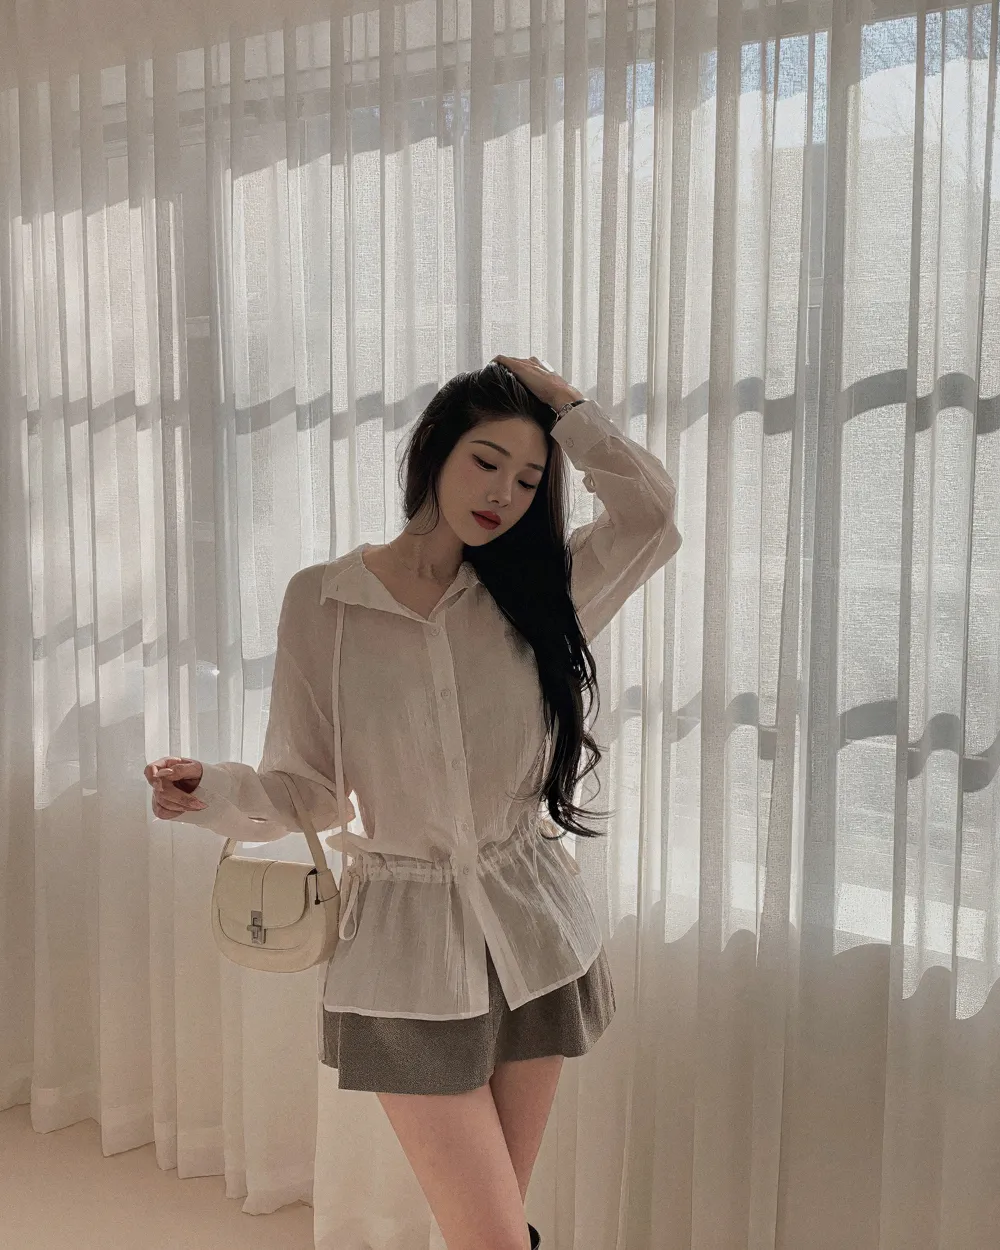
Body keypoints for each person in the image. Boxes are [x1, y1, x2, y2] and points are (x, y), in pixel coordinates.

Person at [144, 355, 682, 1250]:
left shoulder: (541, 595)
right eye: (486, 461)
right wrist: (212, 793)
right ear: (433, 448)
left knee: (492, 1232)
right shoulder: (325, 602)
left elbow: (651, 516)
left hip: (531, 933)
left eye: (528, 479)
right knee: (491, 1236)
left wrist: (567, 407)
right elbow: (308, 789)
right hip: (406, 953)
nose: (503, 493)